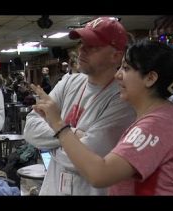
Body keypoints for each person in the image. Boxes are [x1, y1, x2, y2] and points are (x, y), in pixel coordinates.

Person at [30, 40, 173, 195]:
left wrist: (59, 125)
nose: (118, 75)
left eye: (126, 68)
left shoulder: (157, 123)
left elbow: (99, 174)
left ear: (150, 78)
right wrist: (73, 135)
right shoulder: (156, 117)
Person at [24, 17, 135, 195]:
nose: (82, 50)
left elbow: (87, 159)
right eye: (82, 43)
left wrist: (51, 141)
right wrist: (74, 135)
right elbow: (30, 128)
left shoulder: (123, 98)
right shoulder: (68, 81)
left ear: (116, 56)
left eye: (93, 46)